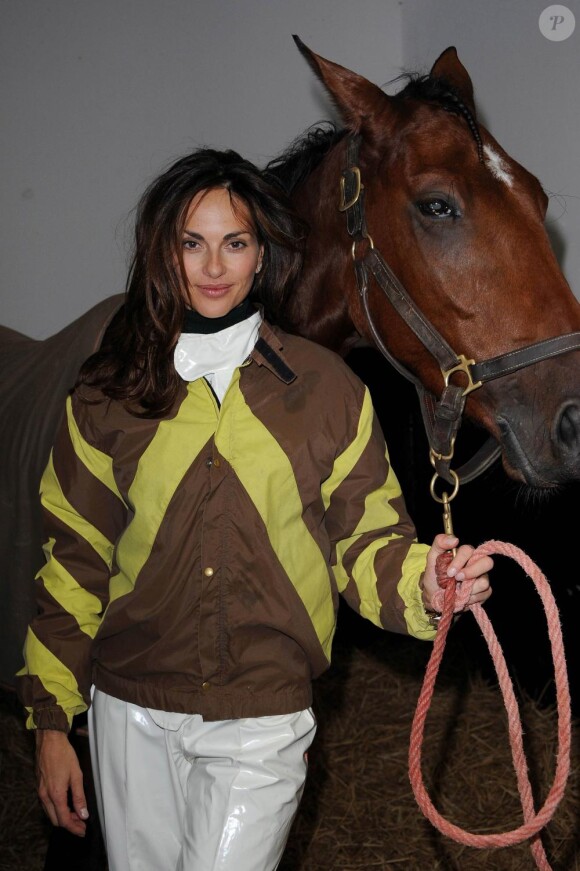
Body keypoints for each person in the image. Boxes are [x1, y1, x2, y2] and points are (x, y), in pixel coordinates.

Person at [17, 148, 492, 871]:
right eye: (192, 242)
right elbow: (73, 561)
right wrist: (54, 721)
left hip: (264, 714)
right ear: (161, 253)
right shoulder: (106, 393)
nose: (214, 265)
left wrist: (425, 581)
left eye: (234, 242)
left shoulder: (327, 391)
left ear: (262, 252)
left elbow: (365, 542)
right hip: (129, 707)